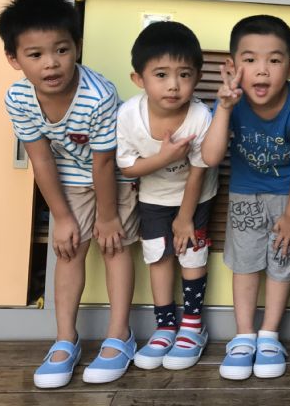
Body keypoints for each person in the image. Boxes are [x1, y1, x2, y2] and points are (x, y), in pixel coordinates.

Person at [0, 0, 137, 389]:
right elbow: (41, 159)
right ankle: (65, 340)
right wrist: (61, 217)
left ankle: (119, 335)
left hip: (114, 176)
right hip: (68, 178)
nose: (51, 63)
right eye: (35, 54)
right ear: (14, 59)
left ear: (77, 46)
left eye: (61, 50)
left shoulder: (99, 95)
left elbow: (105, 162)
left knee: (114, 247)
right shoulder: (18, 98)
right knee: (69, 249)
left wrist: (108, 217)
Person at [200, 15, 290, 380]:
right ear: (232, 66)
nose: (262, 70)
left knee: (282, 262)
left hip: (289, 196)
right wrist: (224, 108)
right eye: (250, 60)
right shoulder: (230, 101)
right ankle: (244, 335)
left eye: (274, 60)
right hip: (244, 193)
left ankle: (269, 336)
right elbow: (211, 157)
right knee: (246, 263)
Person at [117, 21, 217, 371]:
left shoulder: (200, 116)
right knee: (158, 257)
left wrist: (185, 217)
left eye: (184, 75)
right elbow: (128, 168)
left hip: (196, 197)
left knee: (192, 254)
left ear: (197, 77)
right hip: (153, 198)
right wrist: (164, 157)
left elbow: (199, 170)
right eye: (161, 75)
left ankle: (192, 326)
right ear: (138, 79)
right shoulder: (129, 115)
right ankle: (165, 326)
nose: (174, 85)